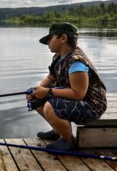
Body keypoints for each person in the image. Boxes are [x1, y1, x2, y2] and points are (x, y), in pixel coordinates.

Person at [27, 22, 107, 151]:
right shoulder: (58, 57)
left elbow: (78, 93)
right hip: (77, 100)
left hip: (92, 105)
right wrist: (37, 90)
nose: (48, 42)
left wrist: (47, 92)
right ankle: (58, 131)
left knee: (51, 105)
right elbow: (50, 78)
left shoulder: (76, 61)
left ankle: (68, 140)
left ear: (63, 38)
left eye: (50, 38)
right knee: (33, 97)